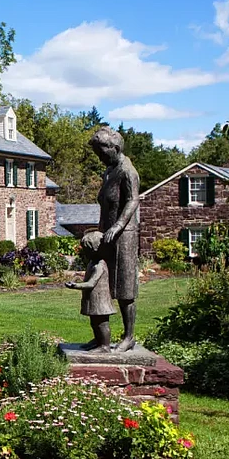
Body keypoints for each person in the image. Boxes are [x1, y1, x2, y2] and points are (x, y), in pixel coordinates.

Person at [90, 126, 140, 352]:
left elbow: (132, 201)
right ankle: (103, 340)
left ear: (115, 148)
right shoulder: (109, 171)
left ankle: (129, 336)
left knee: (125, 288)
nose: (99, 157)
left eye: (102, 152)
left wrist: (119, 226)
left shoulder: (128, 171)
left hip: (124, 236)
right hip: (107, 234)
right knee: (105, 285)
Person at [65, 231, 115, 352]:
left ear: (95, 249)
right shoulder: (92, 263)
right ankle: (98, 340)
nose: (84, 253)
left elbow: (91, 283)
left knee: (102, 323)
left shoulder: (99, 265)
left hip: (100, 299)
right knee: (94, 322)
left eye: (87, 250)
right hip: (93, 298)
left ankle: (105, 346)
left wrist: (76, 286)